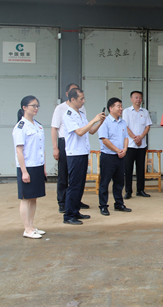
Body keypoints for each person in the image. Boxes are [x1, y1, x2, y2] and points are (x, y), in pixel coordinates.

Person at [62, 88, 105, 225]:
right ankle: (69, 215)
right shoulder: (68, 115)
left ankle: (75, 211)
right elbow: (80, 132)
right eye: (81, 99)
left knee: (80, 185)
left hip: (83, 153)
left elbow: (90, 131)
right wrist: (94, 120)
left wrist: (100, 122)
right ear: (72, 99)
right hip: (74, 154)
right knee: (74, 185)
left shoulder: (80, 114)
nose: (83, 101)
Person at [51, 83, 89, 213]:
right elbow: (54, 128)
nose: (83, 101)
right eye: (80, 98)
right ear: (69, 95)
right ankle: (63, 202)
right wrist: (55, 147)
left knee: (78, 178)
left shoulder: (81, 109)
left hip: (79, 144)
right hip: (65, 141)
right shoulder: (61, 109)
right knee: (64, 174)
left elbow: (85, 128)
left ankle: (75, 203)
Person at [12, 96, 47, 239]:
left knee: (33, 198)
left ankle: (32, 226)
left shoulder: (37, 125)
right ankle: (27, 229)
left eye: (37, 106)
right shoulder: (21, 127)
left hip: (37, 165)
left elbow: (41, 148)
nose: (36, 108)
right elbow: (19, 151)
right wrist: (24, 171)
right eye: (33, 105)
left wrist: (44, 167)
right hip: (28, 167)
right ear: (24, 108)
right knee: (26, 198)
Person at [98, 98, 132, 216]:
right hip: (108, 156)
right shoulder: (105, 122)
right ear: (111, 108)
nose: (121, 109)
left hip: (120, 157)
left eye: (121, 106)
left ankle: (119, 204)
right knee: (105, 182)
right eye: (118, 106)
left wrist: (125, 149)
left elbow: (126, 137)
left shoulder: (123, 122)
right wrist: (117, 150)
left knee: (119, 182)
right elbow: (104, 140)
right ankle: (103, 206)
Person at [122, 91, 152, 199]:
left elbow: (148, 126)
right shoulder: (126, 111)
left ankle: (140, 190)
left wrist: (141, 137)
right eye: (136, 97)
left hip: (141, 145)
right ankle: (128, 191)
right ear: (131, 99)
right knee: (128, 169)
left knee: (140, 168)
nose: (138, 99)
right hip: (130, 145)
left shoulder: (145, 112)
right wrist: (135, 138)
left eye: (140, 97)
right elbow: (125, 126)